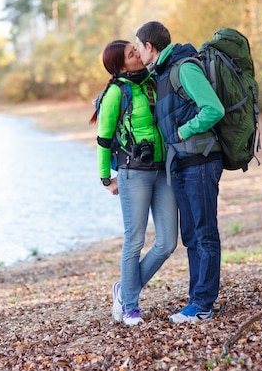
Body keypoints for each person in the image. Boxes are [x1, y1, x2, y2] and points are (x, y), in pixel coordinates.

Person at [135, 21, 225, 323]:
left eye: (138, 47)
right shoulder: (161, 73)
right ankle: (196, 301)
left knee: (204, 234)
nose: (137, 53)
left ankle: (202, 305)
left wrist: (184, 131)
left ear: (150, 47)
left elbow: (213, 109)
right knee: (192, 235)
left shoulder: (184, 68)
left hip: (200, 160)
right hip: (184, 164)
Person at [90, 40, 178, 326]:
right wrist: (106, 177)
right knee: (135, 239)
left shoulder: (152, 81)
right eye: (131, 54)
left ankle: (124, 289)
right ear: (120, 66)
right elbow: (103, 139)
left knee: (167, 242)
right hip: (133, 172)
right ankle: (130, 307)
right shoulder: (116, 92)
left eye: (136, 49)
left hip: (162, 170)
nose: (138, 54)